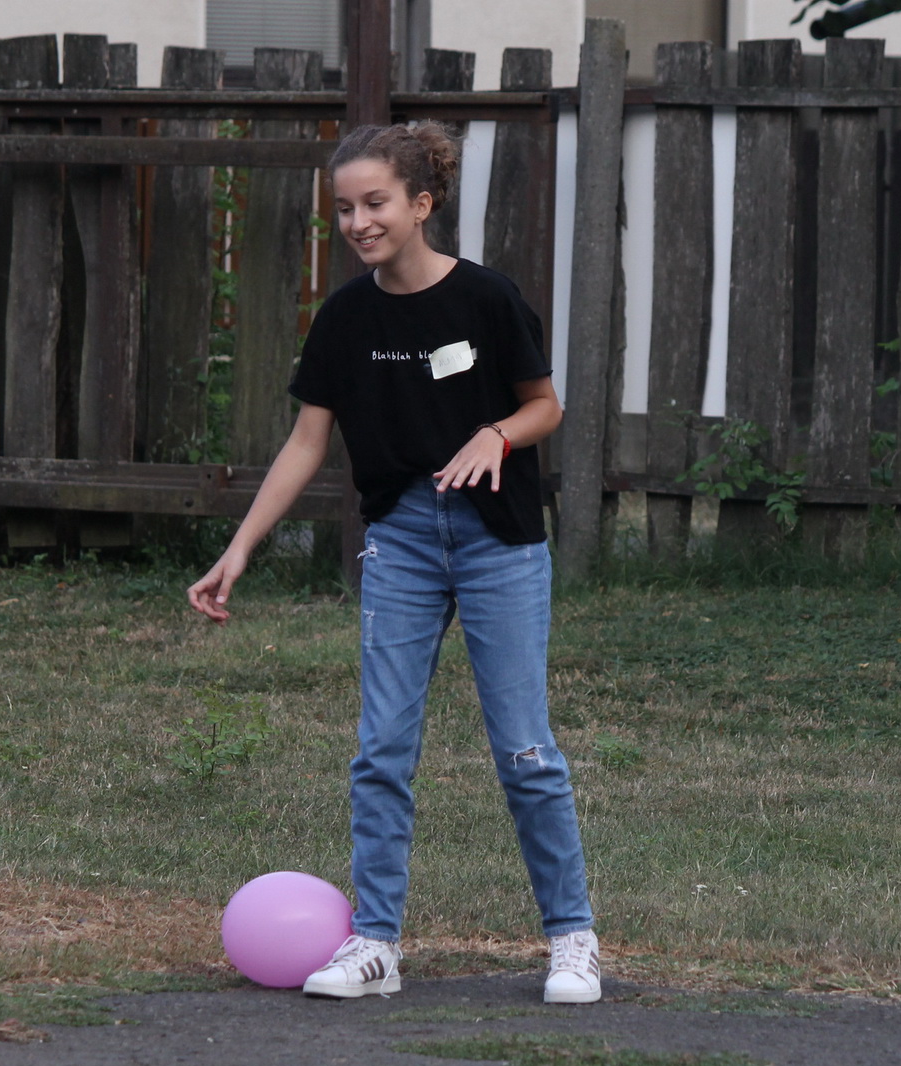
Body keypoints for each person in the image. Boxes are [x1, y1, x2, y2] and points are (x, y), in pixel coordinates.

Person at [188, 122, 601, 1004]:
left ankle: (572, 940)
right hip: (403, 542)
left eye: (375, 203)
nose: (358, 222)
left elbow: (546, 408)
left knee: (526, 750)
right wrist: (239, 547)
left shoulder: (487, 299)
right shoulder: (345, 319)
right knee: (381, 750)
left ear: (422, 203)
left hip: (497, 542)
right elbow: (307, 443)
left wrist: (495, 435)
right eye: (344, 208)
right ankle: (375, 944)